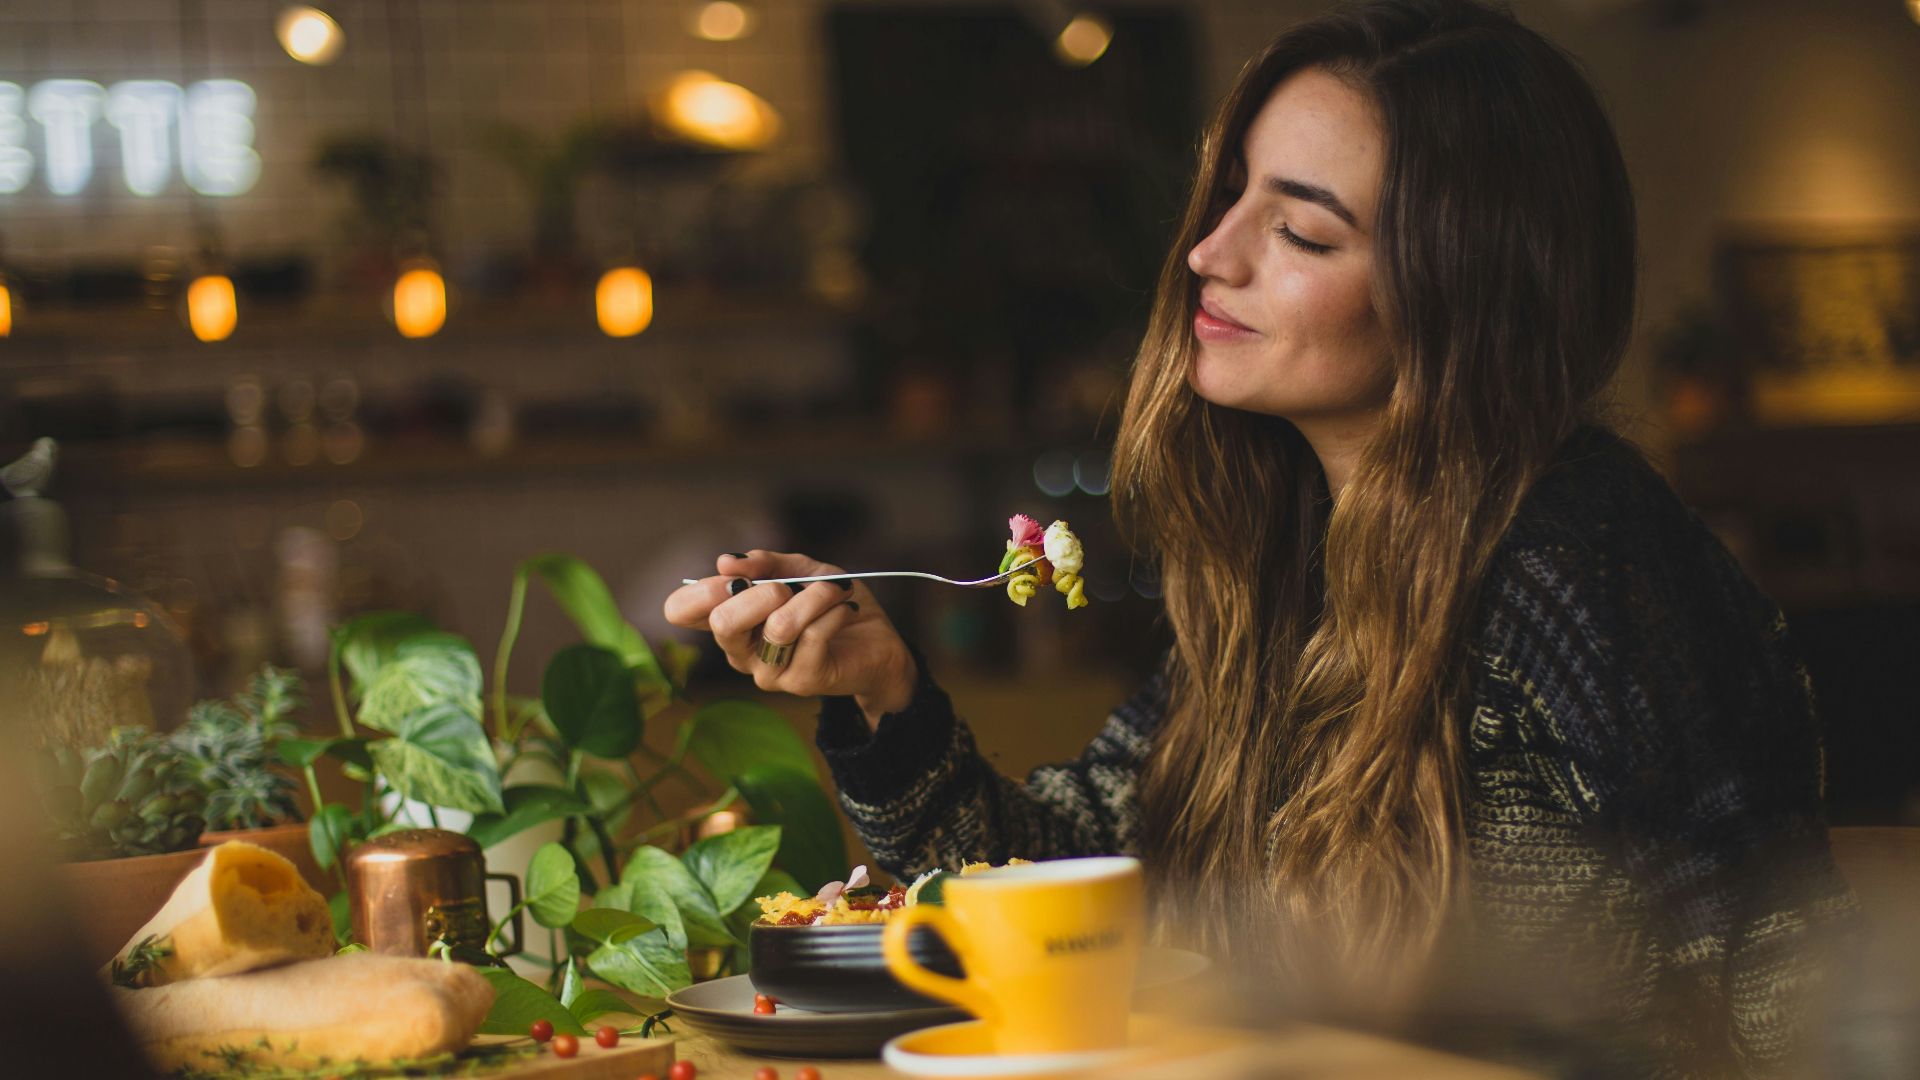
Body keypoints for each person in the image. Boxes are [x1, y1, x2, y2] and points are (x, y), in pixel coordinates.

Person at [663, 1, 1855, 1074]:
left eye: (1304, 233)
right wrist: (884, 692)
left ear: (1462, 297)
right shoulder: (1301, 561)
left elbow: (1765, 986)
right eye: (1232, 193)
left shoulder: (1576, 570)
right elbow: (1080, 874)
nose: (1207, 252)